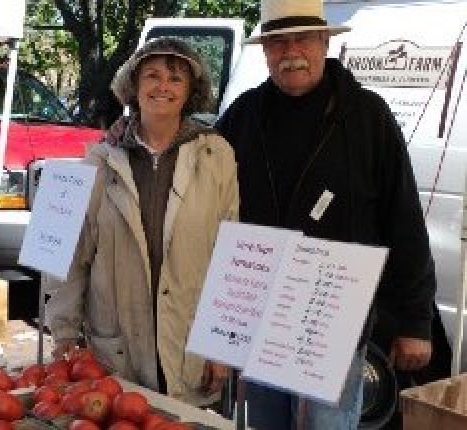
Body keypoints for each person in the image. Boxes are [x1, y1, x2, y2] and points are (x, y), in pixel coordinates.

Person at [215, 0, 436, 428]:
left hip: (336, 323)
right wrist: (127, 129)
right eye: (278, 42)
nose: (290, 50)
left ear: (323, 43)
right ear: (265, 52)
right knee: (265, 425)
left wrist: (416, 321)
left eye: (302, 38)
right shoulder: (242, 116)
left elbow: (405, 219)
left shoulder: (369, 117)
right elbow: (193, 167)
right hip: (262, 318)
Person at [45, 37, 239, 407]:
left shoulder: (216, 155)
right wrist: (64, 332)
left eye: (175, 78)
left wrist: (224, 343)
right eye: (151, 75)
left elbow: (230, 255)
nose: (162, 86)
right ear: (133, 87)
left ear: (191, 90)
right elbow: (74, 254)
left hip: (191, 349)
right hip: (116, 354)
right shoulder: (102, 161)